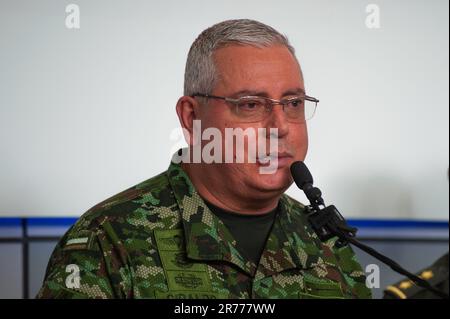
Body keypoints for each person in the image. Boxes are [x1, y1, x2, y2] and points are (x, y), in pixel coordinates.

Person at [37, 19, 371, 299]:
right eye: (251, 105)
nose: (280, 127)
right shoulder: (106, 241)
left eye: (294, 103)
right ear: (192, 117)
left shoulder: (329, 245)